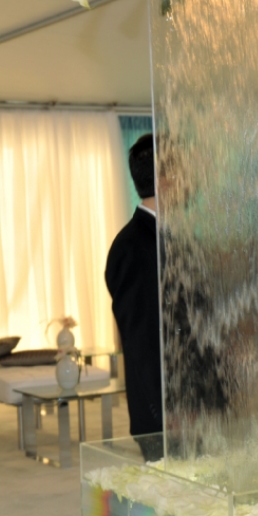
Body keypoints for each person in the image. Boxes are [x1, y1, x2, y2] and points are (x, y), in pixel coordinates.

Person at [105, 135, 164, 462]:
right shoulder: (131, 248)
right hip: (165, 419)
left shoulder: (167, 238)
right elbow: (141, 342)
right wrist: (165, 414)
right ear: (166, 176)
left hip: (192, 414)